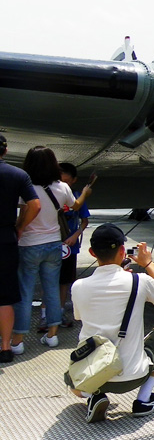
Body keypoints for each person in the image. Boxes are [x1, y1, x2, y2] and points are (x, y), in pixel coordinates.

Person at [69, 224, 154, 423]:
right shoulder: (138, 281)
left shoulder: (78, 286)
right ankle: (144, 399)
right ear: (122, 251)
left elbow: (81, 317)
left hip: (95, 374)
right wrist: (149, 264)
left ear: (92, 253)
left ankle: (94, 396)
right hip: (133, 375)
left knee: (72, 381)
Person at [12, 146, 90, 352]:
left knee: (25, 292)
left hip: (28, 243)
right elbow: (75, 206)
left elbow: (22, 214)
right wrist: (84, 193)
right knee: (52, 290)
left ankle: (18, 340)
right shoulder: (61, 187)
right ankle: (52, 335)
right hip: (54, 243)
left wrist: (19, 227)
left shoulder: (25, 186)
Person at [0, 135, 39, 363]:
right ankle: (5, 347)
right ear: (5, 151)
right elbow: (35, 204)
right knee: (5, 296)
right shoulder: (18, 174)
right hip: (5, 237)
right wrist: (20, 227)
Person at [56, 162, 93, 328]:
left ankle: (60, 311)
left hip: (70, 246)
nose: (63, 184)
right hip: (52, 244)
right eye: (60, 180)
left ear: (74, 180)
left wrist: (75, 235)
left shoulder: (78, 196)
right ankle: (47, 313)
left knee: (64, 281)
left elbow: (84, 221)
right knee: (49, 280)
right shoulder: (54, 195)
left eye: (67, 181)